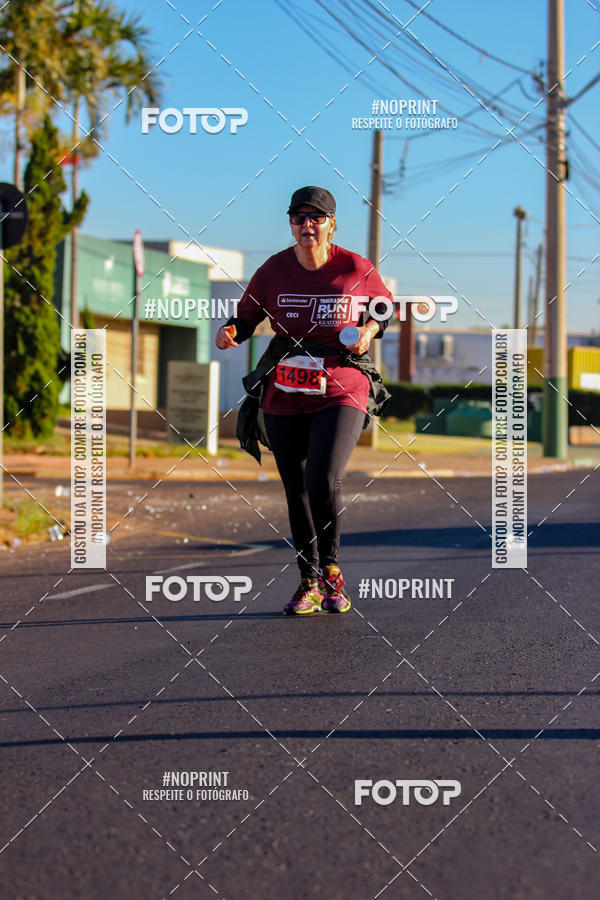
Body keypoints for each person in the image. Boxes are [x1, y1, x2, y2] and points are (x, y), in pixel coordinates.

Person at [216, 185, 392, 615]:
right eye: (298, 217)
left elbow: (384, 306)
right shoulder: (274, 270)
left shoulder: (355, 267)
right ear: (291, 224)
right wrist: (231, 332)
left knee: (321, 478)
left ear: (332, 224)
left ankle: (332, 571)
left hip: (342, 384)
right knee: (295, 487)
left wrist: (368, 332)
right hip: (287, 385)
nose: (307, 225)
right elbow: (246, 316)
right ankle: (308, 581)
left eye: (316, 217)